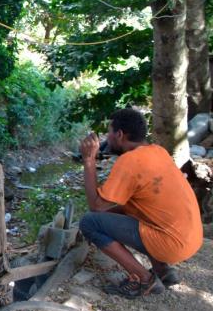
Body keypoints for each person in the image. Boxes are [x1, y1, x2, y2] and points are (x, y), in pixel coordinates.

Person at [78, 108, 203, 298]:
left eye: (109, 133)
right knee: (130, 210)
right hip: (191, 238)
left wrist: (88, 160)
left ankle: (145, 280)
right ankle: (163, 271)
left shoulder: (130, 161)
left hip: (172, 244)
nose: (108, 138)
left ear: (120, 135)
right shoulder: (158, 151)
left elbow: (96, 206)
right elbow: (131, 205)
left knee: (89, 222)